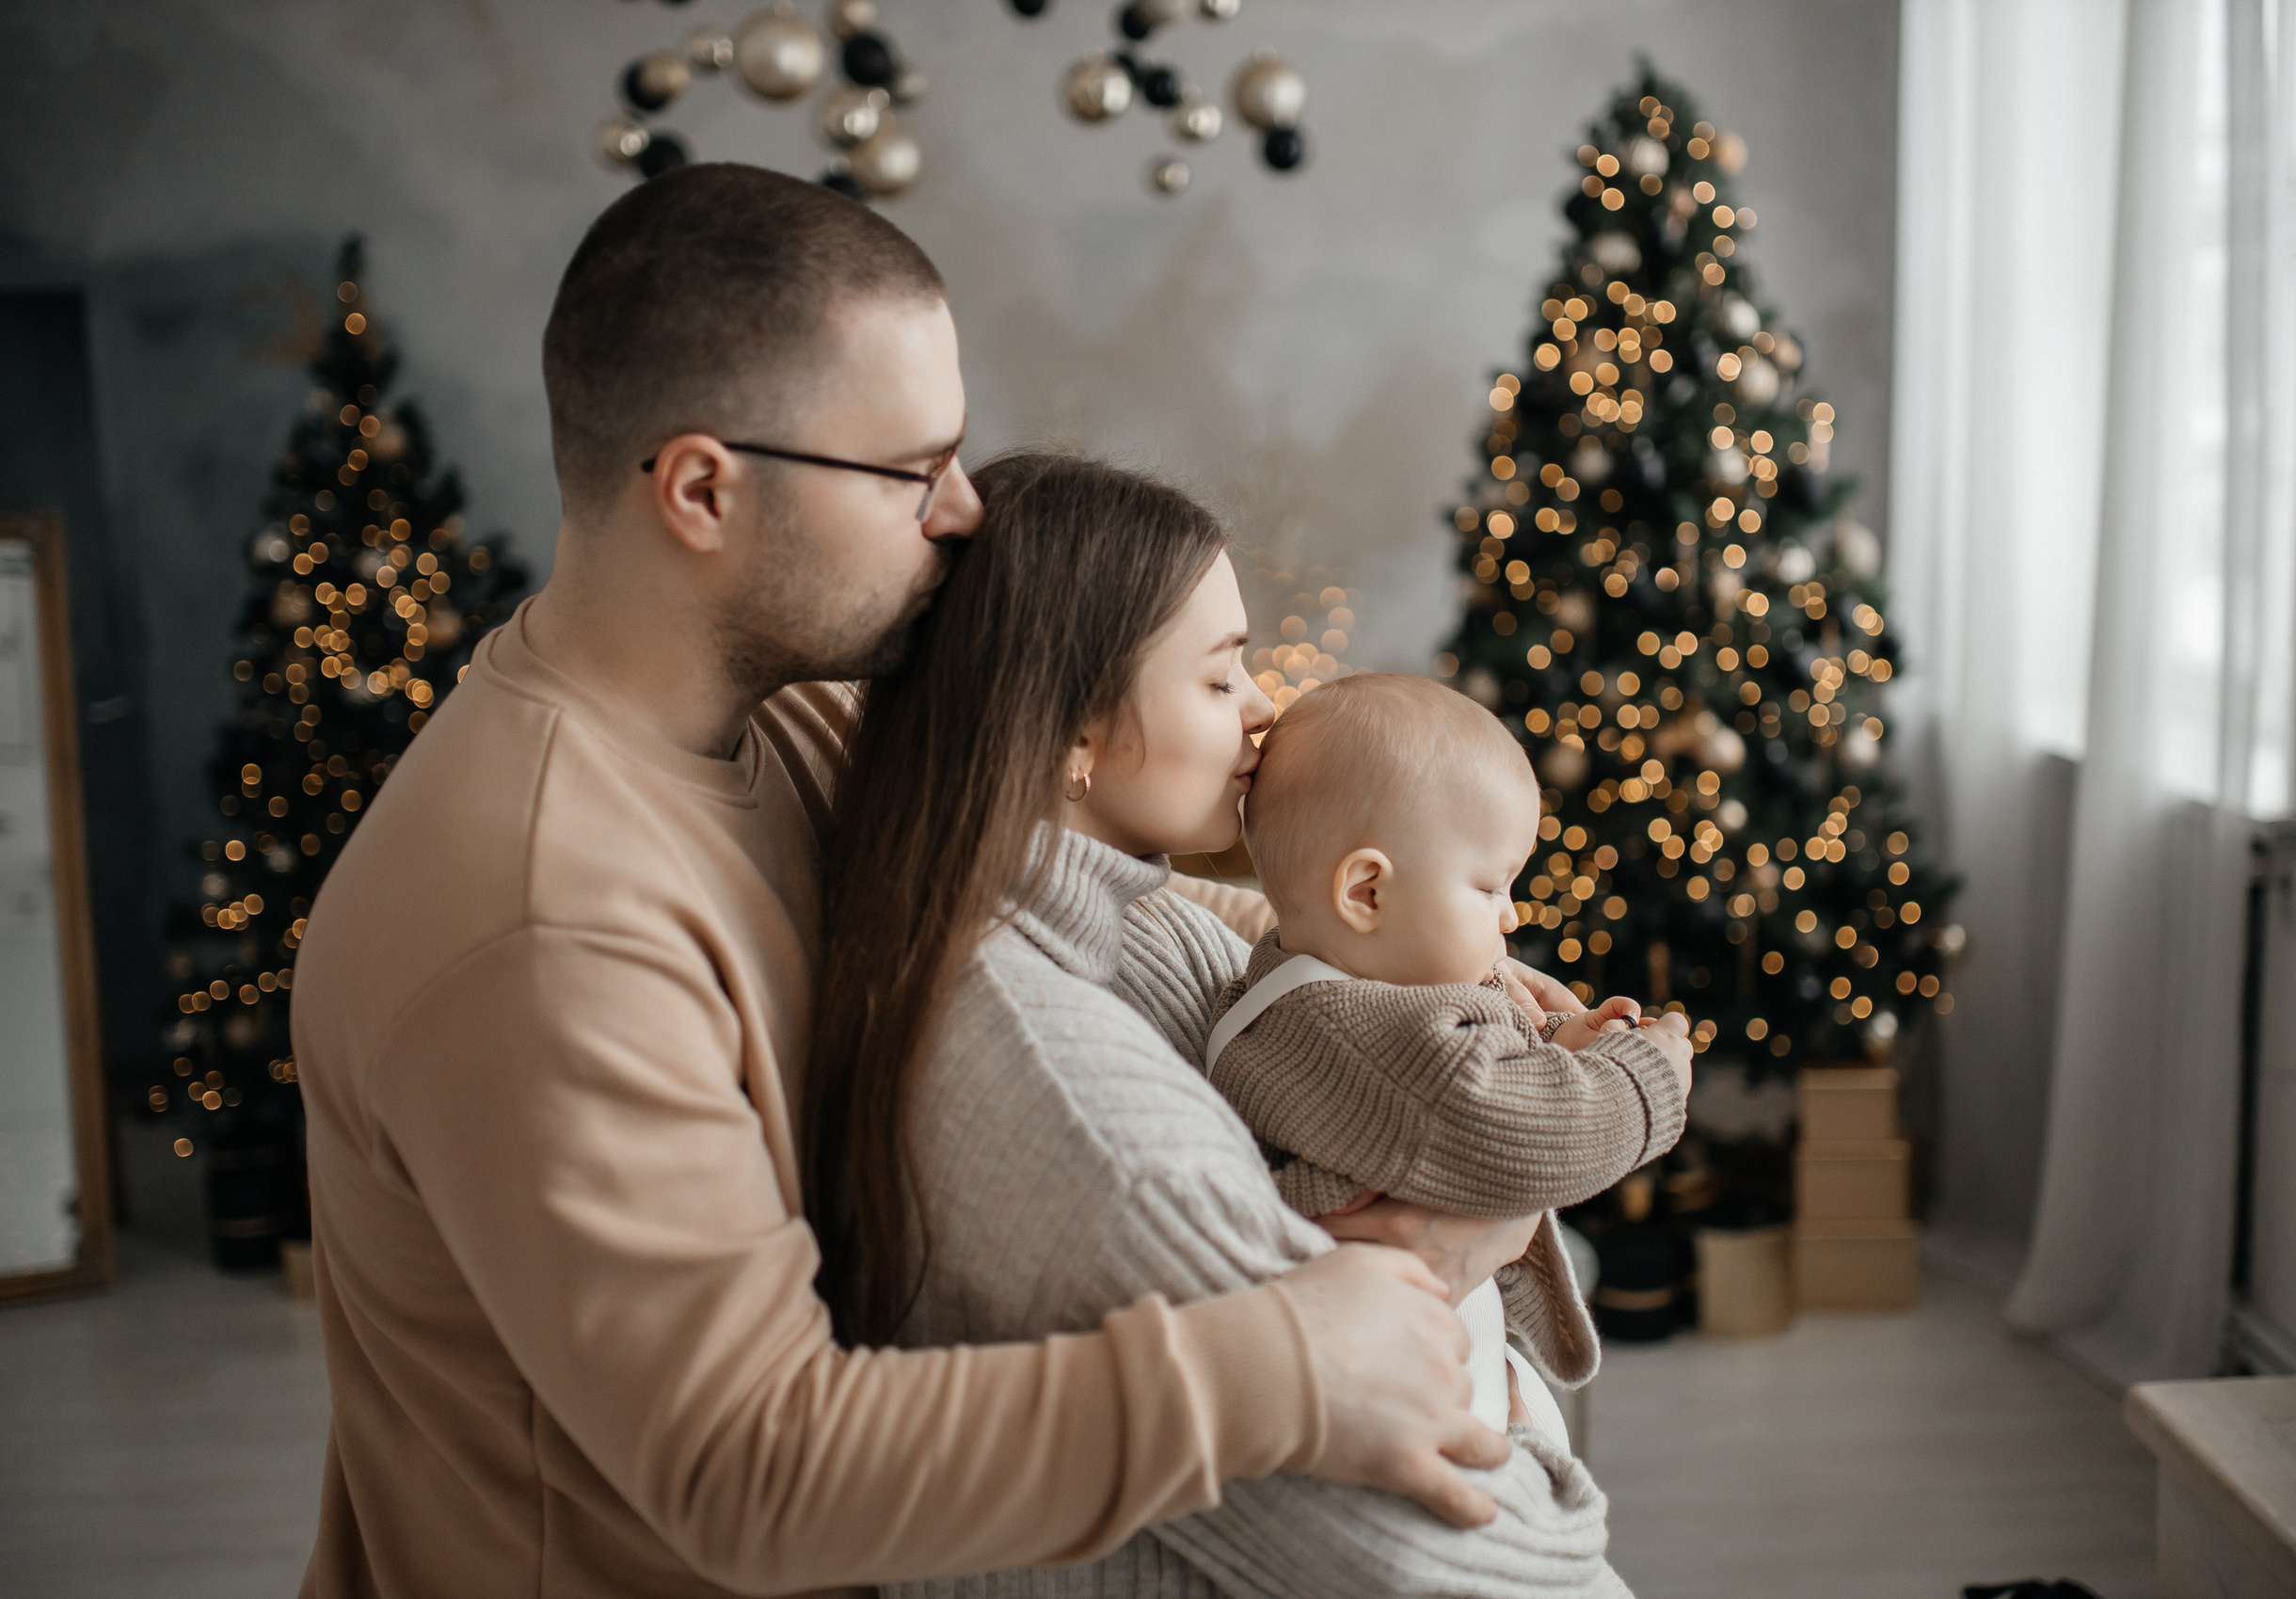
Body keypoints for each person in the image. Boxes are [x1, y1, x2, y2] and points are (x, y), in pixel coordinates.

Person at [291, 164, 1509, 1599]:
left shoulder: (789, 718)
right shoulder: (543, 916)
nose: (964, 511)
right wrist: (1283, 1359)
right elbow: (754, 1466)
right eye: (908, 468)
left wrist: (1440, 1010)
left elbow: (1123, 907)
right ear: (700, 489)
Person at [810, 452, 1693, 1598]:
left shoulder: (1120, 925)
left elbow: (1321, 967)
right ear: (1074, 735)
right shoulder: (1076, 1104)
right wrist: (1526, 1425)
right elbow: (1462, 1563)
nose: (1266, 706)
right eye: (1221, 677)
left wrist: (1493, 989)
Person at [1206, 671, 1693, 1448]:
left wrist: (1547, 1044)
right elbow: (1533, 1129)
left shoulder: (1295, 981)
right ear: (1366, 892)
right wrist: (1650, 1074)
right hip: (1417, 1400)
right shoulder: (1360, 1030)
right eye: (1491, 884)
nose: (1510, 913)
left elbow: (1443, 1089)